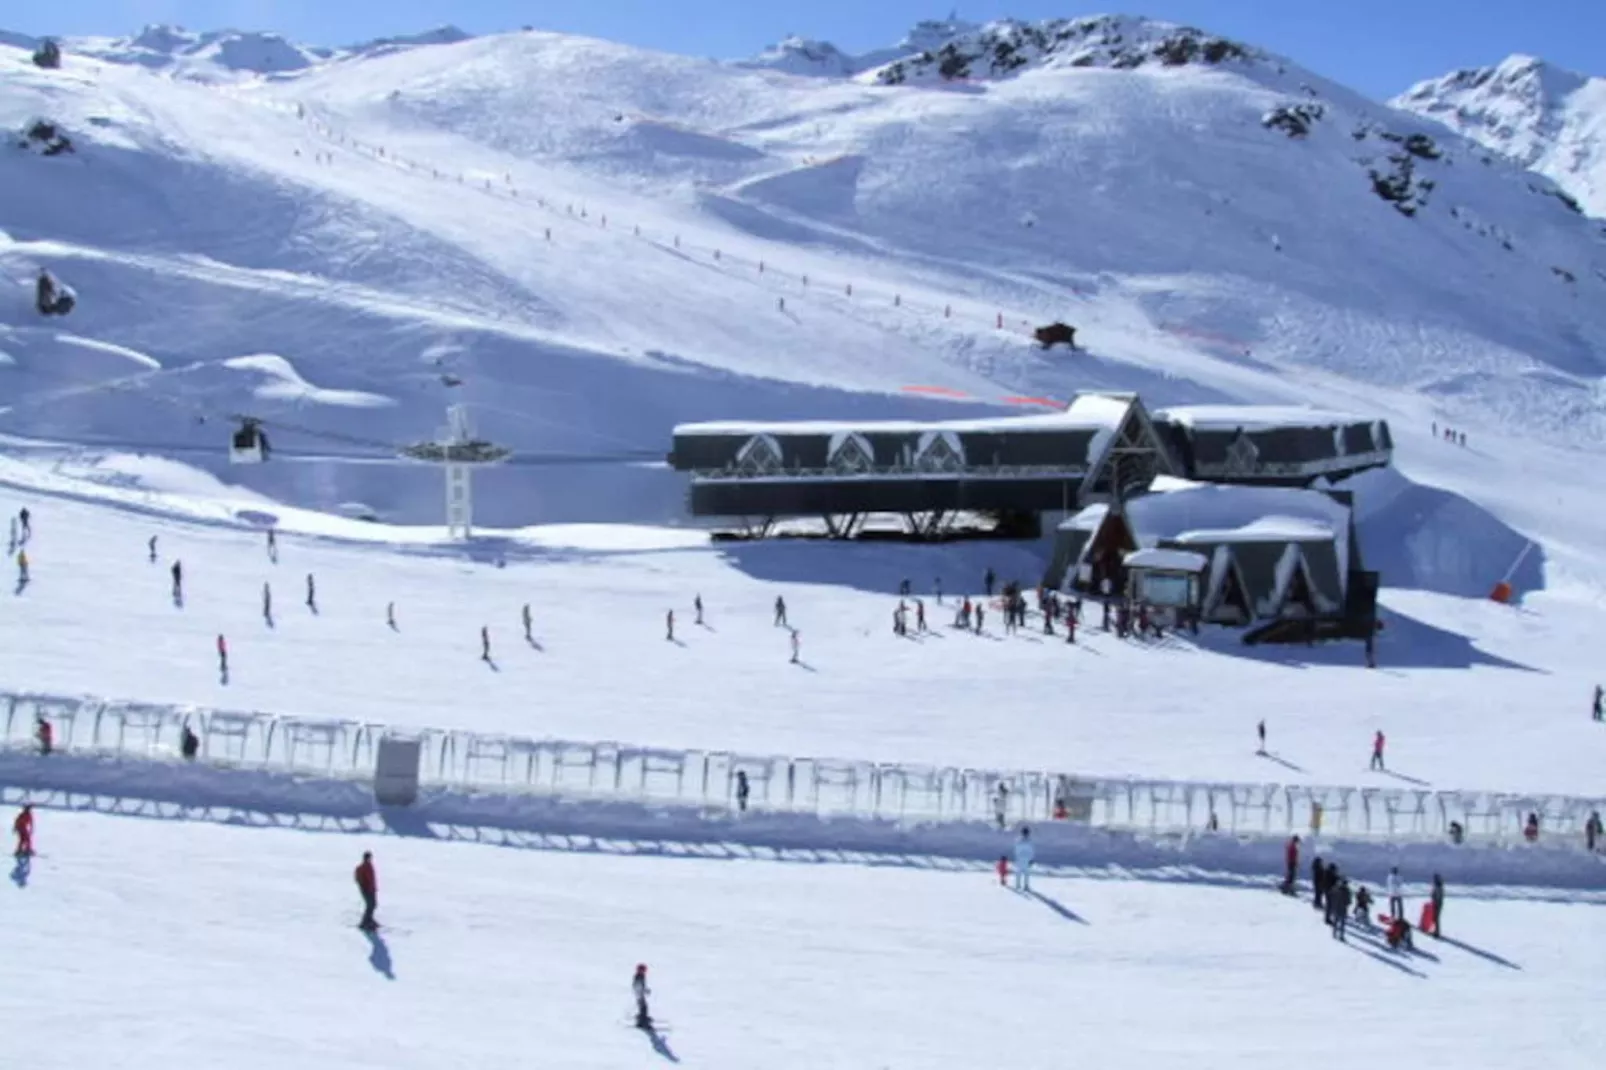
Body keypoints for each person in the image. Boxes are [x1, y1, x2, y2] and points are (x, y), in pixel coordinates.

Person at [355, 851, 378, 930]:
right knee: (370, 905)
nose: (370, 859)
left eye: (370, 858)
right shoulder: (361, 867)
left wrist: (374, 888)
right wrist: (364, 887)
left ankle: (369, 919)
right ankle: (364, 922)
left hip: (372, 889)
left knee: (373, 904)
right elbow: (358, 879)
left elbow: (372, 878)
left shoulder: (370, 866)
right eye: (368, 858)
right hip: (366, 890)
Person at [1012, 828, 1035, 892]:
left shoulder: (1018, 840)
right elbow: (1031, 851)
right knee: (1026, 873)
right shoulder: (1029, 841)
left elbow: (1016, 850)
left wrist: (1016, 857)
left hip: (1020, 858)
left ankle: (1018, 885)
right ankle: (1025, 886)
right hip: (1026, 859)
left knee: (1019, 872)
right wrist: (1031, 859)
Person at [632, 964, 652, 1028]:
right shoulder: (638, 977)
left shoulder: (641, 976)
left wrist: (645, 990)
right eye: (643, 970)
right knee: (644, 1007)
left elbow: (642, 986)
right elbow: (637, 986)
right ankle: (641, 1022)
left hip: (640, 994)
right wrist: (642, 992)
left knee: (643, 1007)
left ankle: (643, 1017)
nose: (645, 972)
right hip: (639, 994)